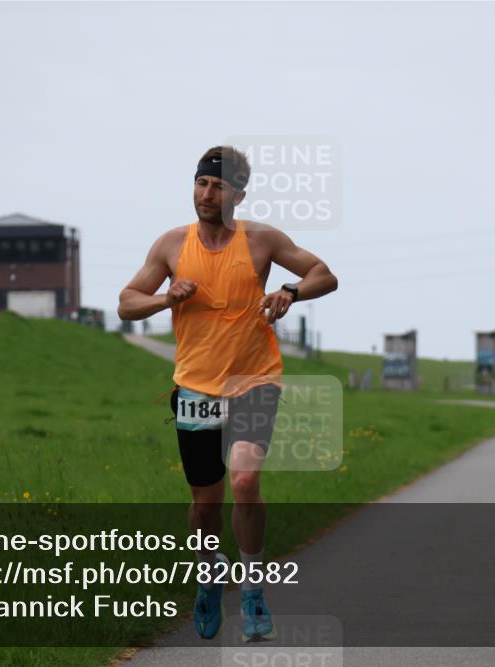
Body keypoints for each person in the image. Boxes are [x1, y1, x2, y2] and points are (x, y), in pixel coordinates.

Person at [118, 145, 337, 642]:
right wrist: (163, 297)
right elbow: (126, 303)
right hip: (195, 387)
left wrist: (290, 292)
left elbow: (324, 273)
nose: (207, 194)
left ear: (239, 192)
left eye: (218, 186)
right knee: (205, 506)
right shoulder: (171, 245)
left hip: (254, 381)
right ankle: (210, 576)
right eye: (201, 183)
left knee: (243, 482)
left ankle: (255, 590)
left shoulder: (262, 241)